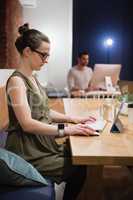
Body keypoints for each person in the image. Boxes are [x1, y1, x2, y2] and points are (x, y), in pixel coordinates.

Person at [5, 23, 98, 200]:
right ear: (27, 52)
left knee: (81, 160)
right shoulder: (17, 82)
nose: (46, 59)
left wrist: (73, 118)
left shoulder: (32, 77)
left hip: (40, 144)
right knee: (78, 167)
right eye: (43, 55)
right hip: (27, 150)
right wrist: (67, 129)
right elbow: (27, 124)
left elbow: (45, 111)